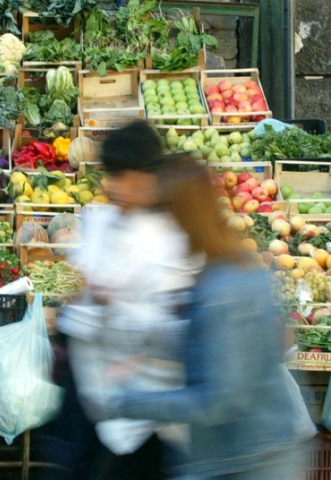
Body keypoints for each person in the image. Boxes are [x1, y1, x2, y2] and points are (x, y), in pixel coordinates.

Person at [101, 156, 302, 479]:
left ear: (182, 220)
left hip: (250, 462)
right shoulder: (225, 271)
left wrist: (125, 402)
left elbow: (216, 401)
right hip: (239, 455)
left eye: (162, 218)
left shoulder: (223, 289)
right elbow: (210, 344)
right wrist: (149, 341)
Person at [44, 121, 202, 480]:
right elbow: (84, 290)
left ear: (149, 177)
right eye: (112, 177)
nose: (116, 188)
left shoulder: (171, 239)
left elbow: (174, 323)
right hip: (88, 391)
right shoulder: (101, 222)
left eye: (126, 178)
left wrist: (113, 303)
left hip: (144, 410)